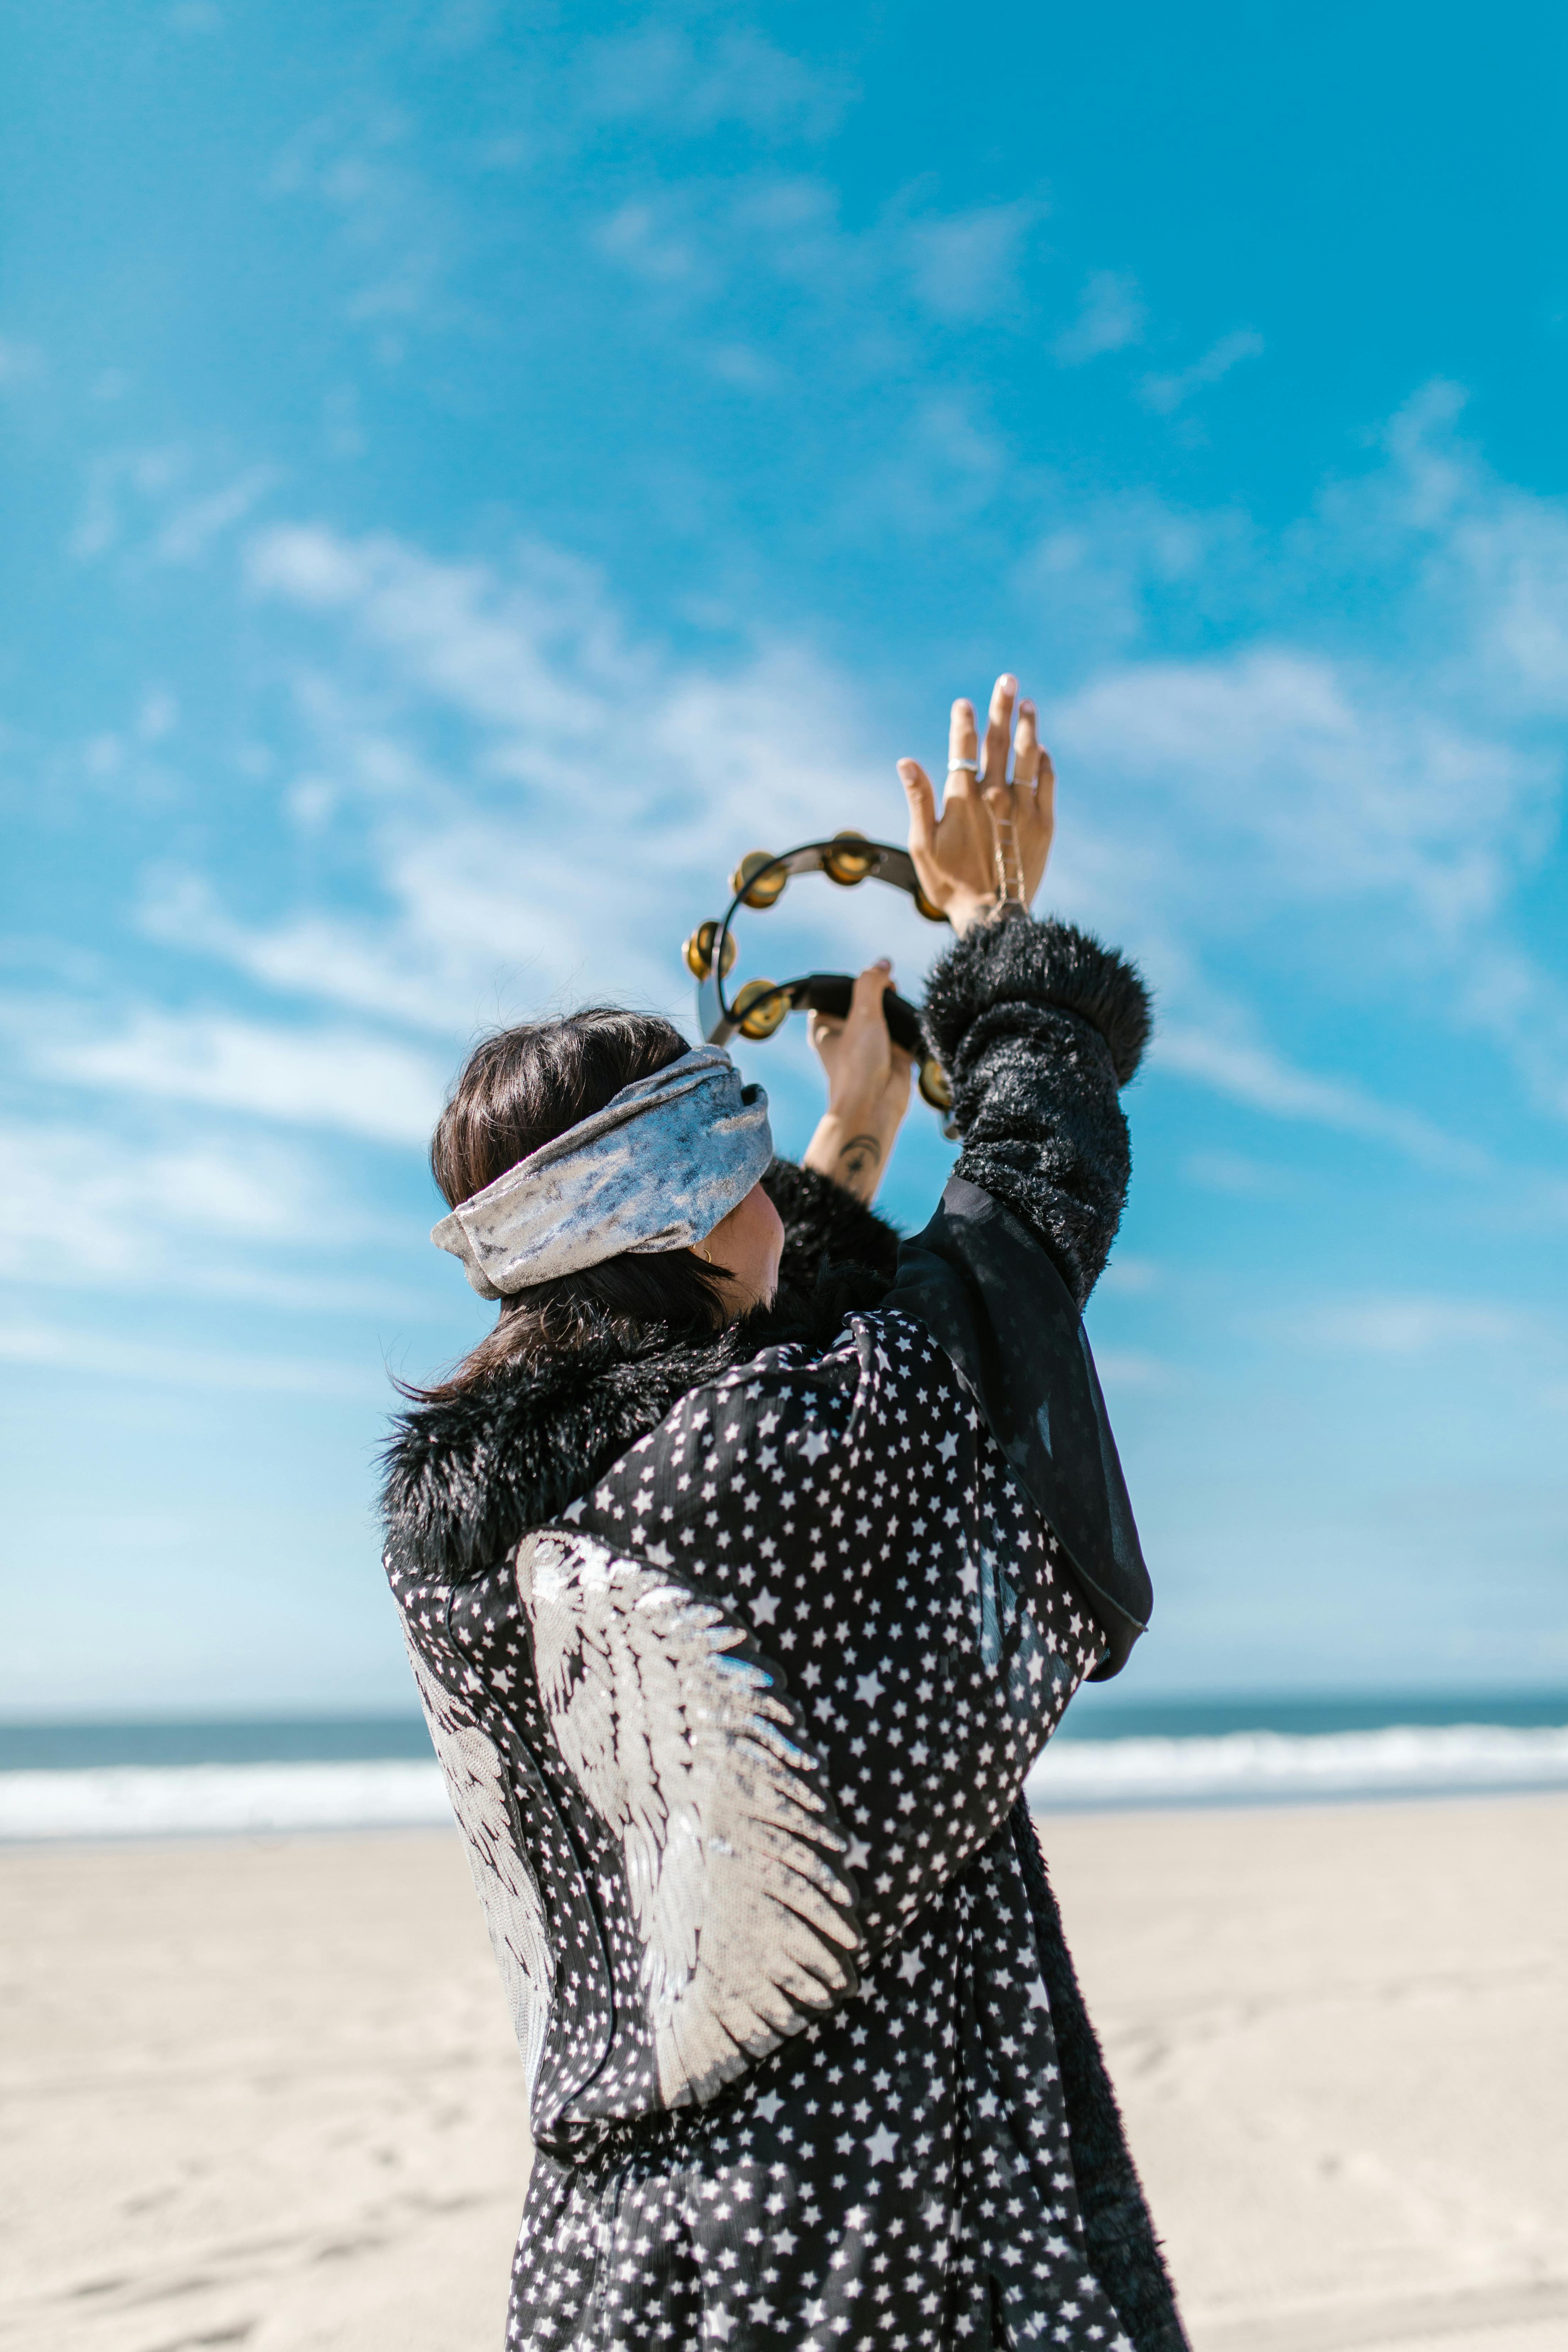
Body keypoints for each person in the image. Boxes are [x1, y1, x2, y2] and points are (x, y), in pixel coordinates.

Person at [381, 675, 1188, 2352]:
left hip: (613, 2251)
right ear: (677, 1203)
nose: (771, 1182)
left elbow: (754, 1360)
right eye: (731, 1157)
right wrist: (1001, 942)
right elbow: (1017, 1245)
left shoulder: (473, 1545)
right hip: (868, 2219)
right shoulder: (750, 1471)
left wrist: (846, 1140)